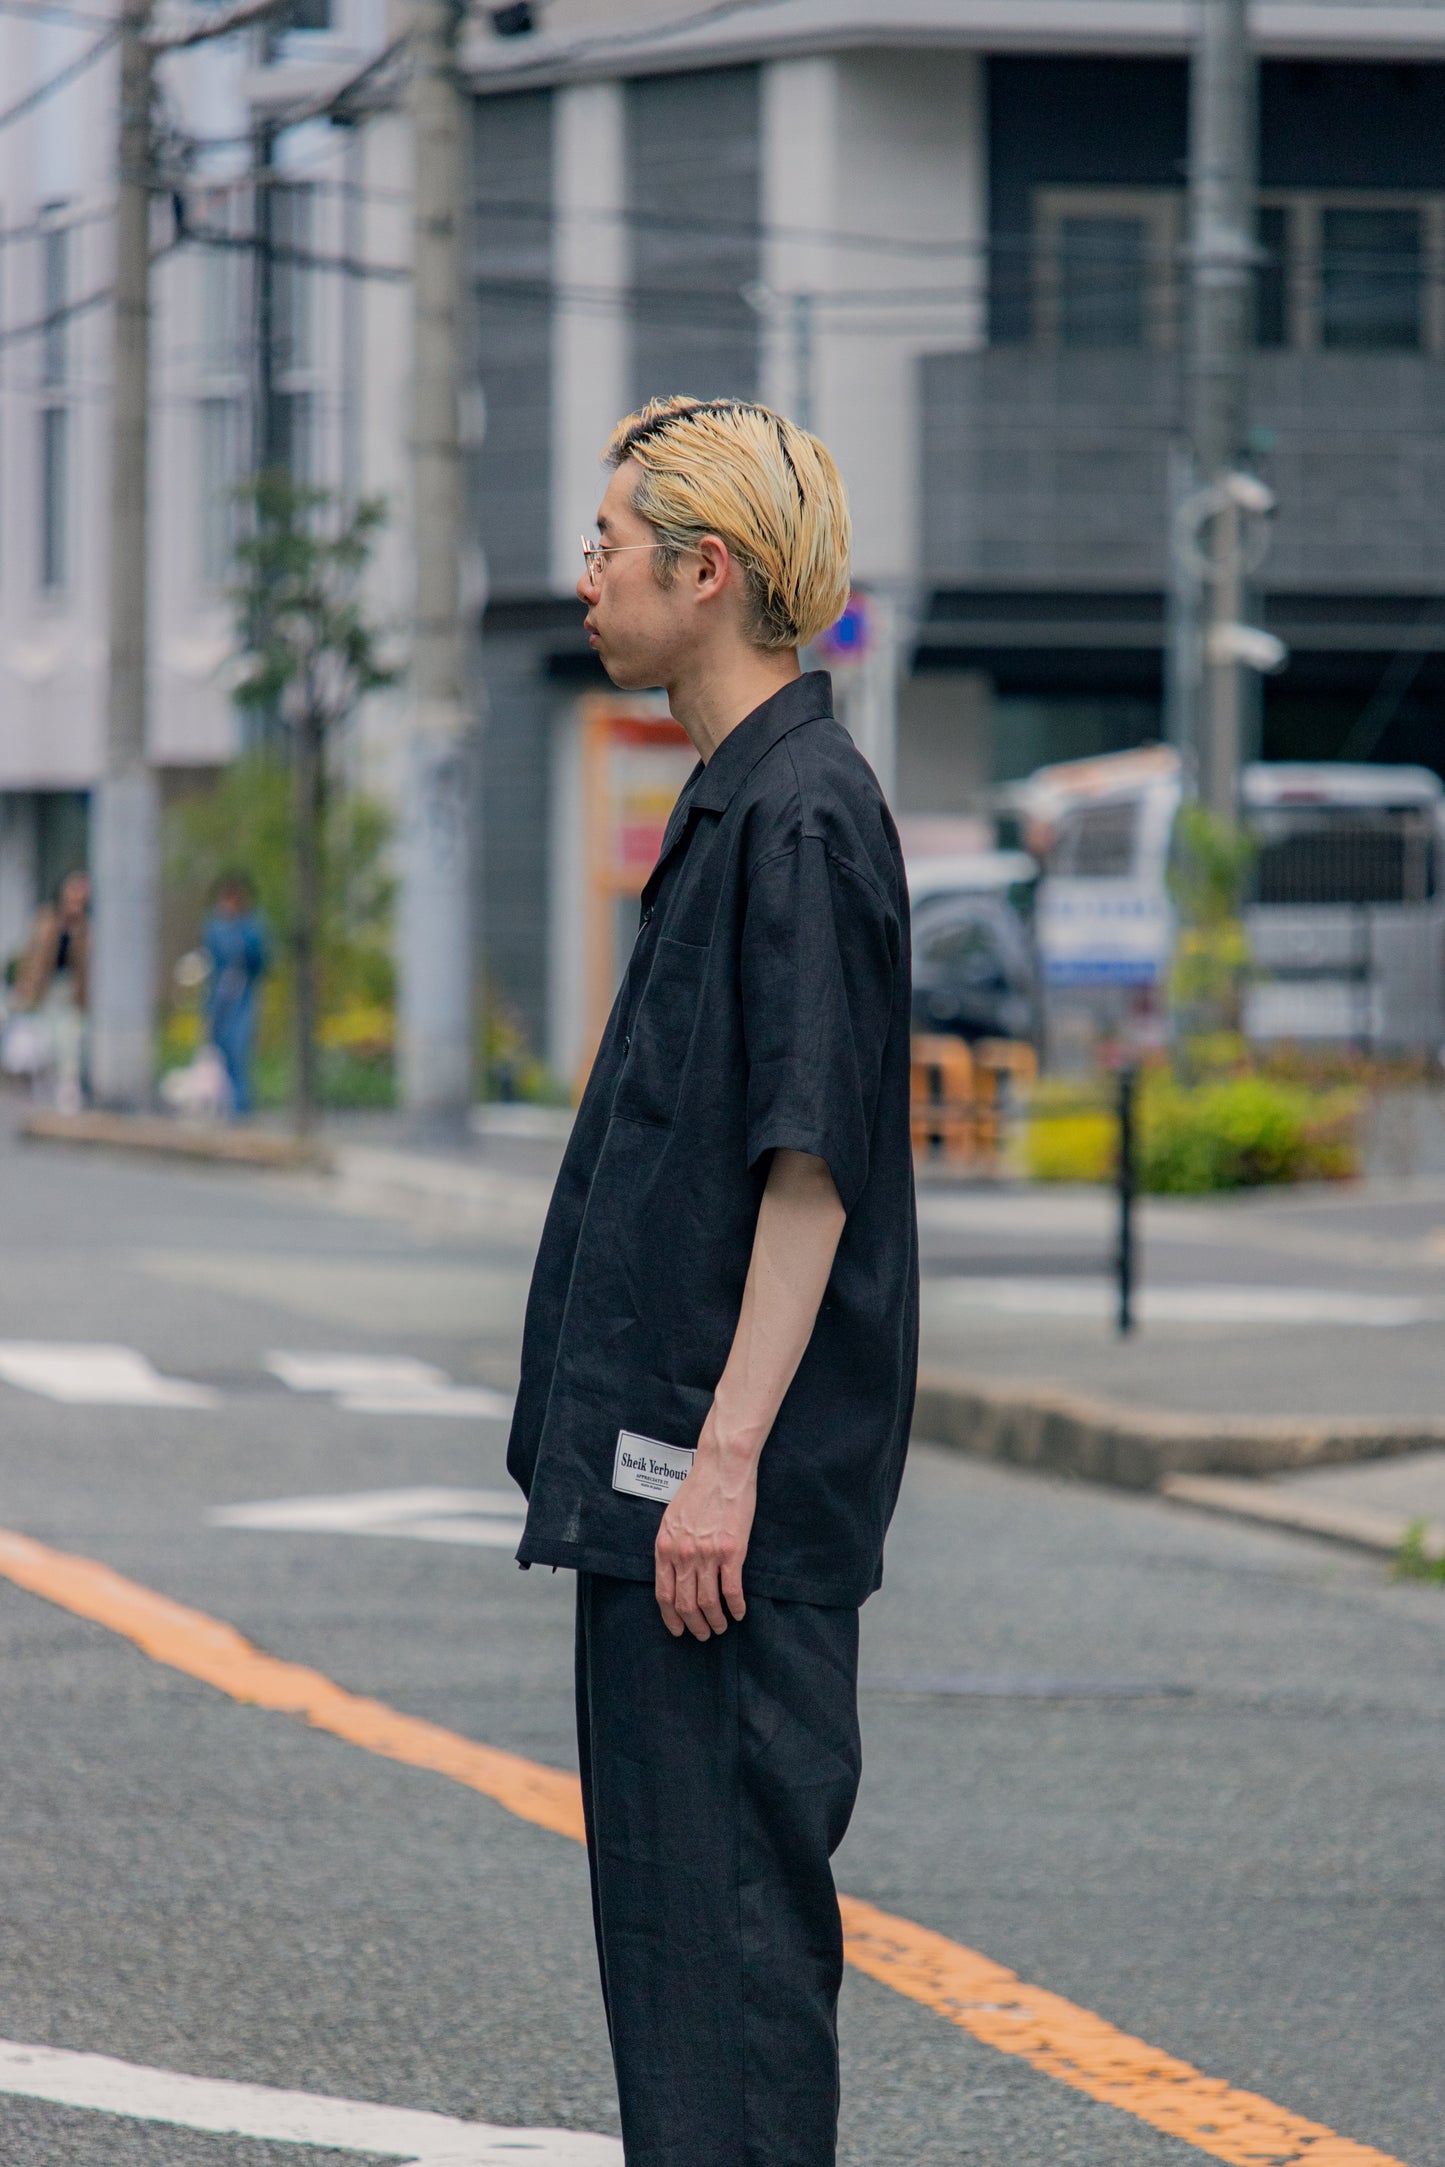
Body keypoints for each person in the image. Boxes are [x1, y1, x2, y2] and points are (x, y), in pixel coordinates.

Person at [507, 396, 918, 2167]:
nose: (585, 574)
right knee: (684, 1968)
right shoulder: (742, 797)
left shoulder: (802, 816)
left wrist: (724, 1462)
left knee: (729, 1975)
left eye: (609, 542)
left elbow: (810, 1171)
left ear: (708, 571)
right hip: (672, 1496)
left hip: (718, 1520)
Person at [14, 869, 91, 1111]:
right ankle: (45, 1089)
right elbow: (31, 954)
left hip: (69, 990)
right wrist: (24, 985)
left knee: (69, 1037)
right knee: (44, 1040)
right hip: (44, 989)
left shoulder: (85, 928)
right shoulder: (47, 919)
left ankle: (68, 1089)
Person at [202, 873, 270, 1117]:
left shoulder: (252, 928)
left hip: (243, 995)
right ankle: (221, 1103)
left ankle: (241, 1107)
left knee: (239, 1049)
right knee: (219, 1050)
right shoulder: (216, 926)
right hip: (220, 996)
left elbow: (260, 961)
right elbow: (212, 959)